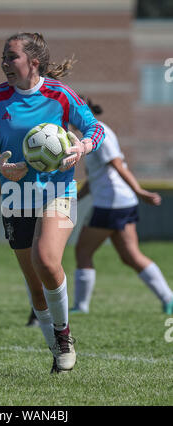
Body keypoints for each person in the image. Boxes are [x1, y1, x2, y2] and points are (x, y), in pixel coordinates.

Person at [0, 32, 105, 373]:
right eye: (3, 56)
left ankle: (65, 335)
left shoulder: (60, 94)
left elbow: (94, 128)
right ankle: (57, 350)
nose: (5, 63)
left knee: (46, 259)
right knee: (35, 286)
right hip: (15, 196)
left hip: (58, 192)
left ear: (33, 62)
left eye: (11, 57)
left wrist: (80, 148)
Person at [70, 97, 173, 315]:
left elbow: (118, 166)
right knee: (130, 256)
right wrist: (74, 199)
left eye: (72, 112)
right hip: (121, 202)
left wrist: (140, 191)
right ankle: (168, 298)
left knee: (83, 251)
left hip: (111, 203)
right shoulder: (90, 137)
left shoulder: (101, 134)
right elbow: (95, 178)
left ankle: (81, 307)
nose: (69, 118)